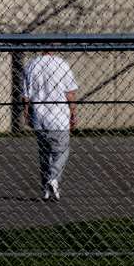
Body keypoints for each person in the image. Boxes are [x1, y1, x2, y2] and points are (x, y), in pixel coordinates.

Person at [22, 51, 79, 201]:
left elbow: (26, 95)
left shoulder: (31, 65)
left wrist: (27, 113)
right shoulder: (62, 64)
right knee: (61, 151)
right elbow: (70, 93)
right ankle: (53, 178)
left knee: (44, 153)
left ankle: (46, 189)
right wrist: (73, 113)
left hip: (39, 115)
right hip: (58, 116)